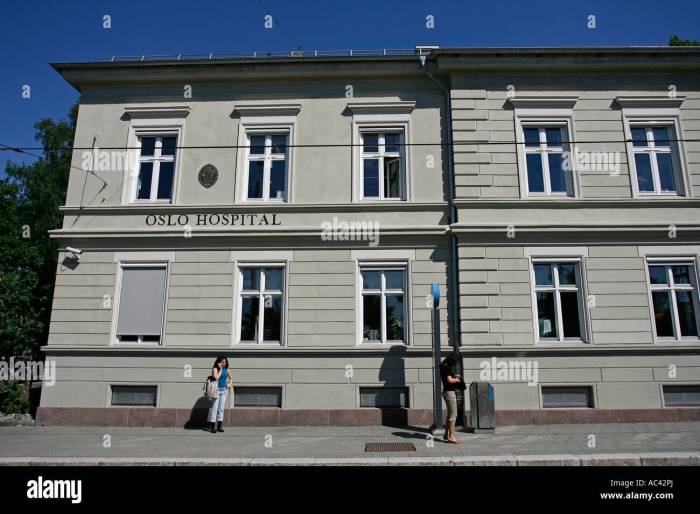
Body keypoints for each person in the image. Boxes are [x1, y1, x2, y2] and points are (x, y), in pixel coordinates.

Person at [440, 351, 465, 443]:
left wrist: (454, 376)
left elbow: (448, 378)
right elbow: (449, 380)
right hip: (449, 393)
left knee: (450, 414)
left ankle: (446, 435)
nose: (454, 364)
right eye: (454, 362)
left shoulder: (443, 366)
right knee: (453, 415)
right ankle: (451, 436)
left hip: (446, 392)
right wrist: (457, 379)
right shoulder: (446, 367)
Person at [207, 355, 233, 434]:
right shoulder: (215, 369)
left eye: (225, 362)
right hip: (216, 391)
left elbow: (231, 378)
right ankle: (212, 426)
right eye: (222, 362)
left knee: (221, 409)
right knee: (215, 408)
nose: (224, 363)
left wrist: (229, 385)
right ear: (219, 362)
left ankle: (219, 426)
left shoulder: (227, 370)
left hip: (224, 391)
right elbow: (216, 378)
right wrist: (220, 369)